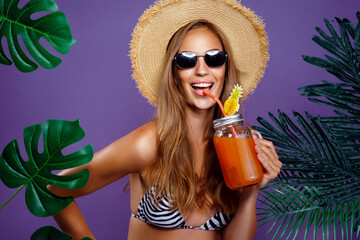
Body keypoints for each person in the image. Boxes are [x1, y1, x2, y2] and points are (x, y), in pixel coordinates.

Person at [49, 0, 282, 239]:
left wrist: (250, 190)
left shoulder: (238, 140)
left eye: (213, 58)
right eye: (187, 60)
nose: (202, 70)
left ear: (225, 67)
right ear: (174, 73)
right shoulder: (148, 143)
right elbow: (56, 189)